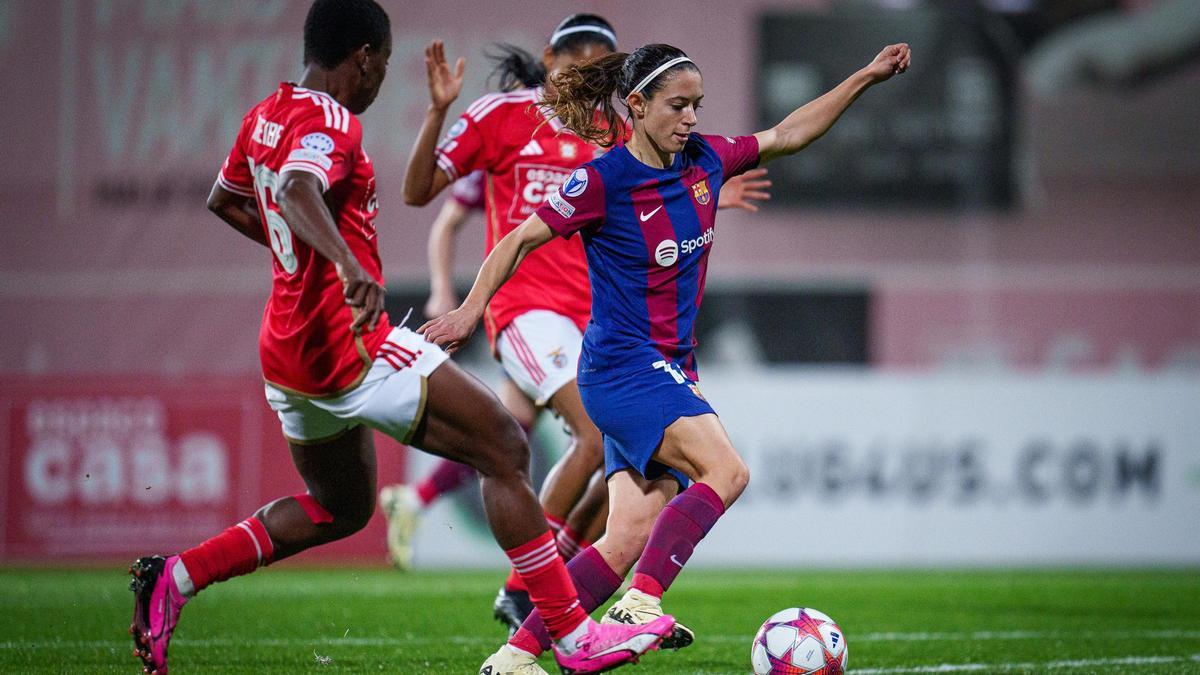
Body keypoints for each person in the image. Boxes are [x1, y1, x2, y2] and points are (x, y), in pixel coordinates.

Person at [126, 3, 675, 674]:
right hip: (351, 343)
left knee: (341, 507)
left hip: (288, 355)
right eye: (383, 64)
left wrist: (301, 259)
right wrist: (348, 267)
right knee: (504, 445)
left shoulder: (262, 115)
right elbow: (298, 189)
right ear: (363, 57)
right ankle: (567, 632)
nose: (381, 78)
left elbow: (228, 198)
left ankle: (176, 577)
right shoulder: (332, 121)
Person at [421, 39, 911, 675]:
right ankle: (641, 603)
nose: (691, 118)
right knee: (728, 471)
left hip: (668, 367)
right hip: (624, 366)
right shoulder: (603, 181)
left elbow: (790, 133)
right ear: (637, 105)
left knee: (625, 536)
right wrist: (466, 310)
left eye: (697, 105)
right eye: (678, 105)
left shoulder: (706, 160)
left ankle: (516, 656)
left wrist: (864, 77)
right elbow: (519, 237)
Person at [395, 14, 771, 633]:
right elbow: (427, 198)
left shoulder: (615, 132)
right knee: (594, 439)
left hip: (592, 318)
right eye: (580, 67)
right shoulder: (502, 116)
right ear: (551, 61)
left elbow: (652, 190)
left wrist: (699, 193)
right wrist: (458, 298)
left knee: (608, 474)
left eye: (605, 67)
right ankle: (530, 591)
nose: (591, 80)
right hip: (527, 312)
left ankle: (548, 595)